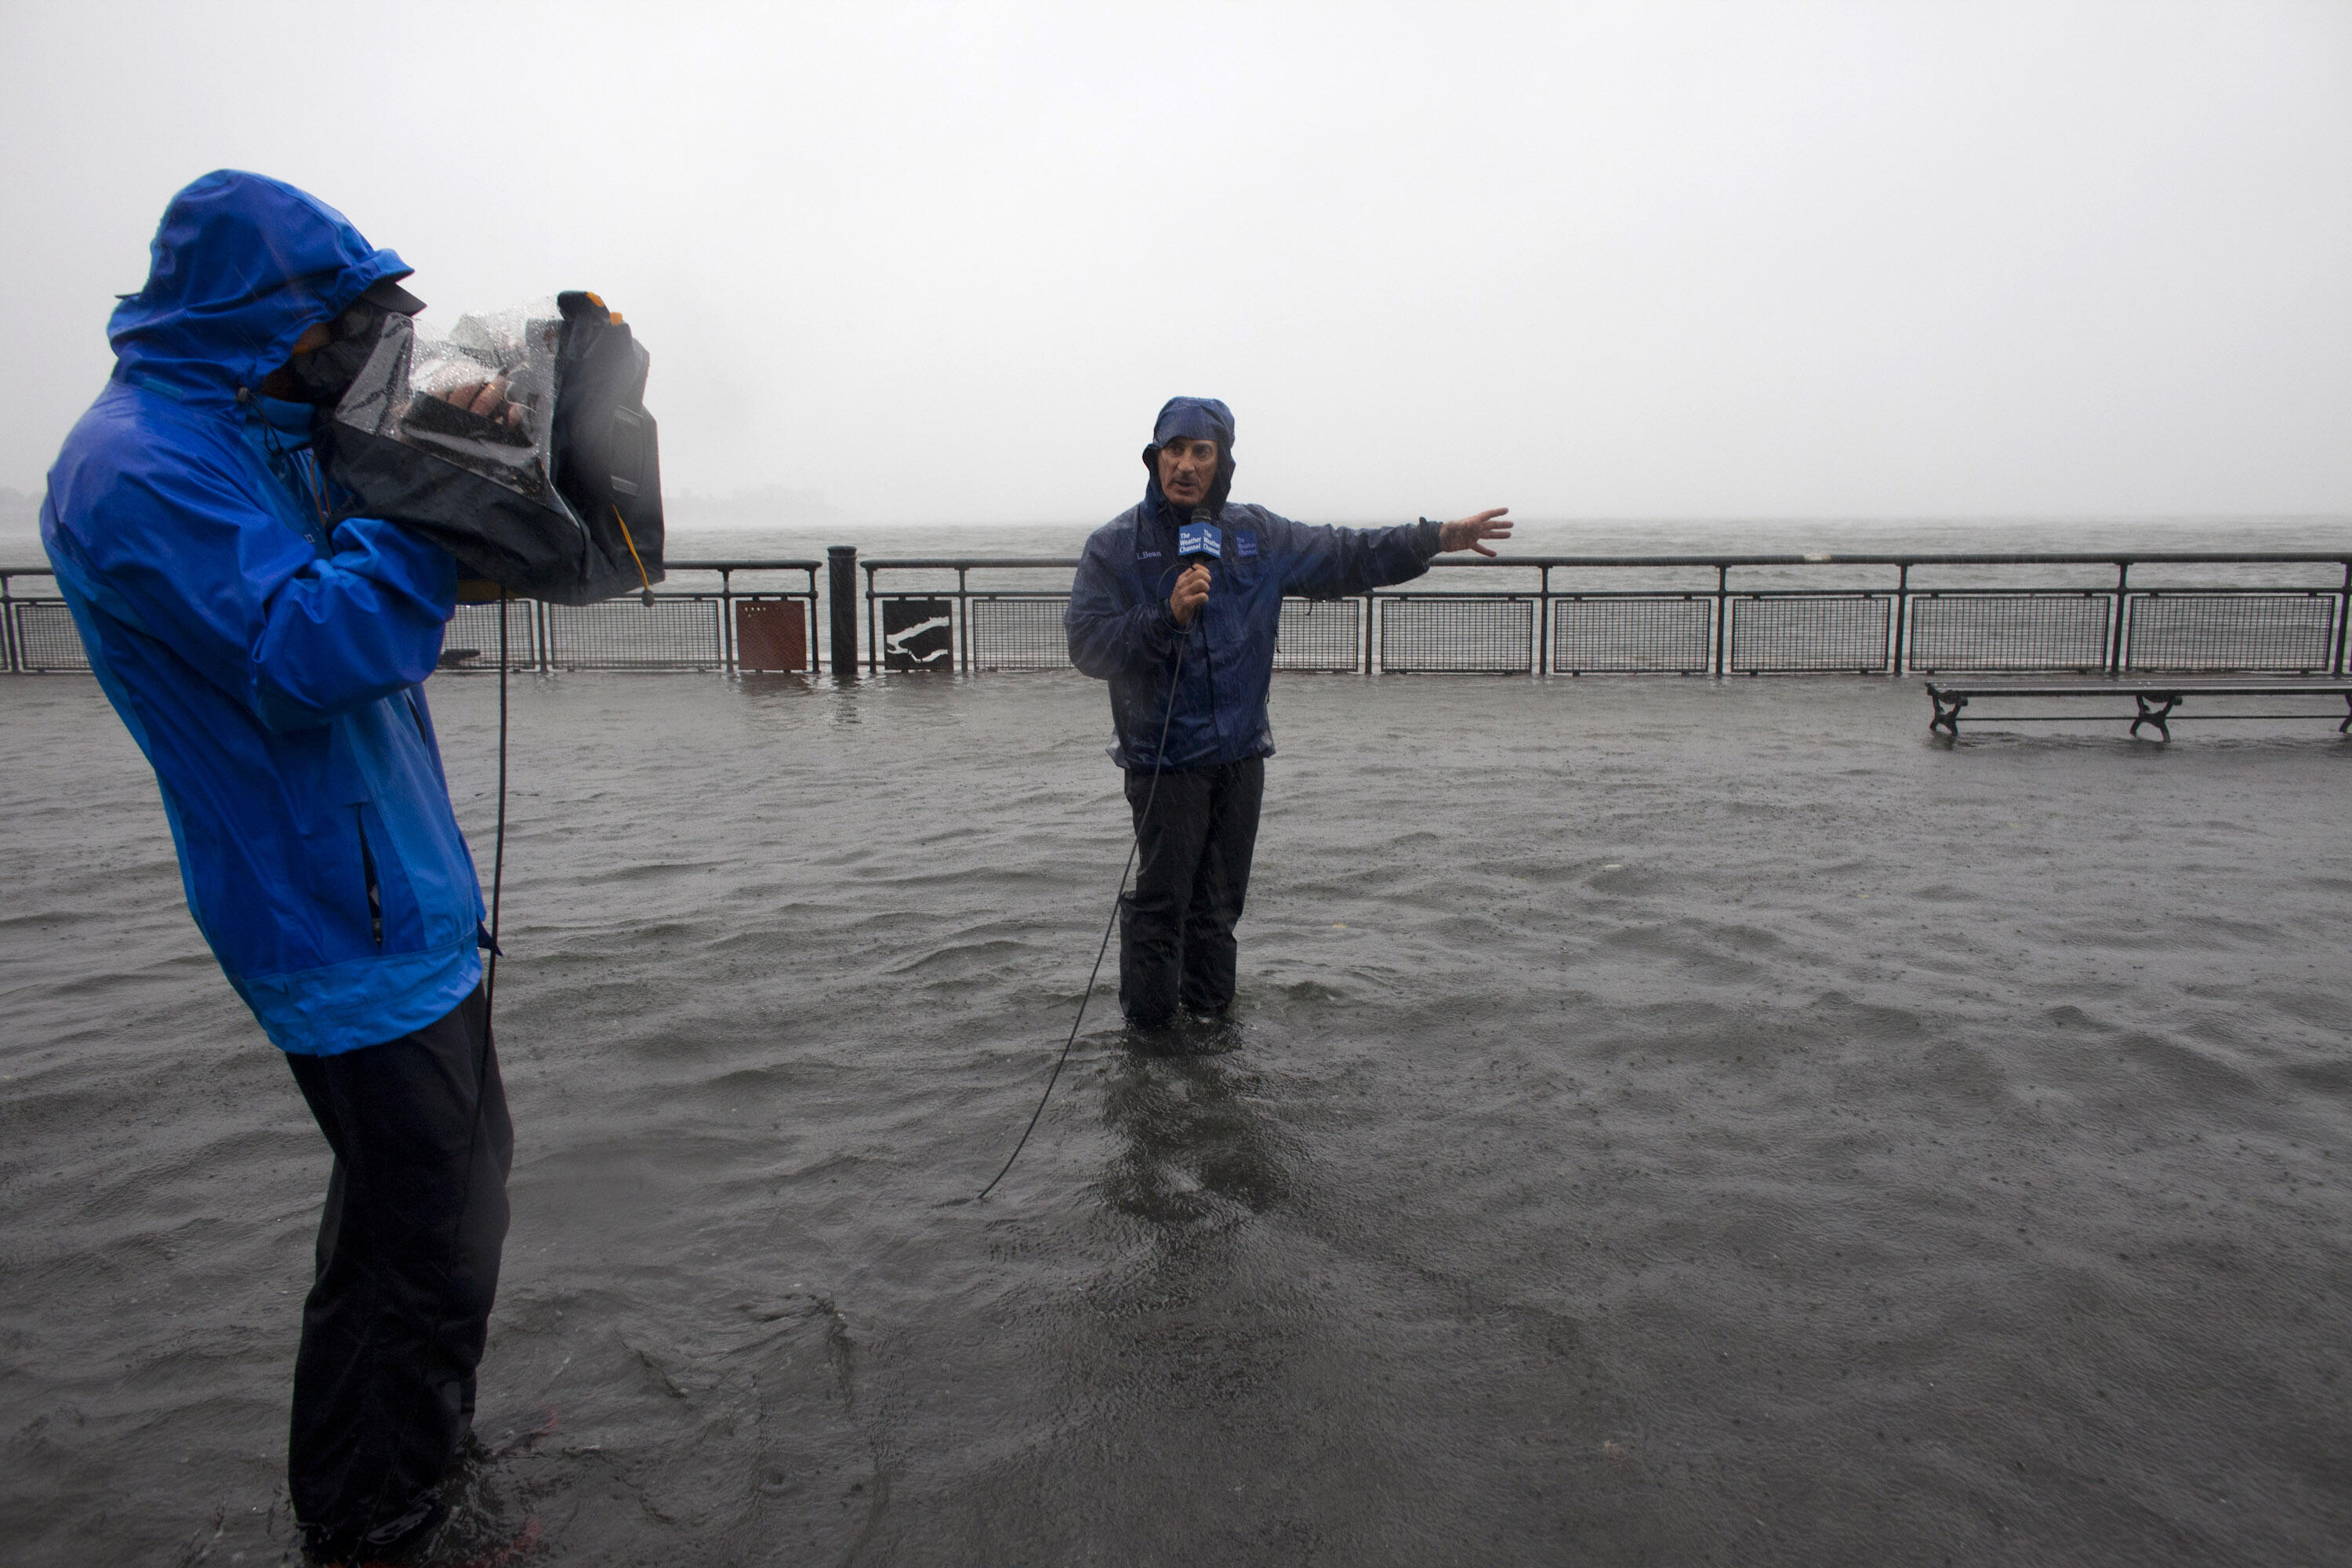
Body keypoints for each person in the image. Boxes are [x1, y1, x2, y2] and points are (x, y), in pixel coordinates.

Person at [41, 170, 506, 1563]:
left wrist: (453, 454)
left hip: (397, 892)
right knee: (413, 1238)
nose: (355, 359)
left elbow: (388, 568)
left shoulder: (254, 428)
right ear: (269, 318)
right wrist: (424, 505)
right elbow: (311, 649)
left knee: (432, 1208)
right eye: (341, 329)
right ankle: (378, 1523)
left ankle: (418, 1456)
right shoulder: (137, 466)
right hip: (326, 910)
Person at [1064, 396, 1512, 1028]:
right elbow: (1087, 645)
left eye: (1200, 452)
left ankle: (1212, 1030)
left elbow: (1348, 554)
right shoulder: (1115, 546)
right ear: (1154, 458)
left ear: (1222, 464)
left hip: (1241, 755)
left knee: (1218, 910)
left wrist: (1435, 539)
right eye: (1173, 450)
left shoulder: (1256, 535)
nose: (1185, 465)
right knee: (1162, 907)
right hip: (1164, 761)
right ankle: (1152, 1048)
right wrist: (1163, 616)